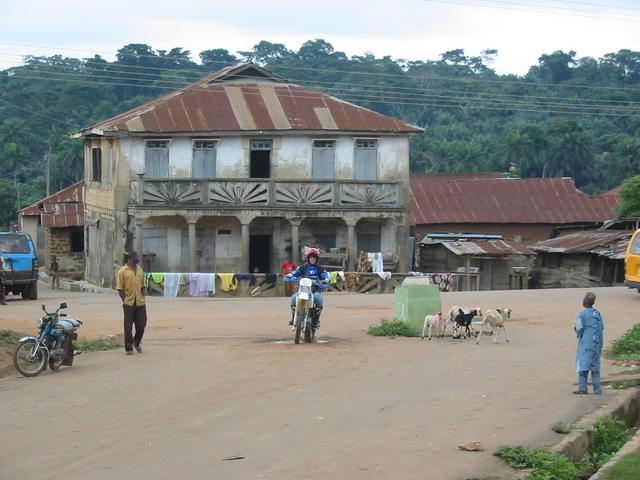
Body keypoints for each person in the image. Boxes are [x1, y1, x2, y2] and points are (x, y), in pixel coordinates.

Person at [287, 248, 329, 329]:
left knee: (319, 300)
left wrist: (326, 280)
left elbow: (324, 276)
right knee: (293, 299)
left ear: (316, 259)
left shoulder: (320, 268)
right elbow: (295, 273)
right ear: (308, 258)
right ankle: (293, 318)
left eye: (314, 258)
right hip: (303, 290)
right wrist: (290, 276)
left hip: (314, 291)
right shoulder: (303, 267)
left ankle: (316, 320)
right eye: (311, 257)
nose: (312, 259)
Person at [116, 251, 147, 355]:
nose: (138, 258)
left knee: (141, 324)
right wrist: (124, 301)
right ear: (131, 258)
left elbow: (143, 286)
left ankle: (136, 342)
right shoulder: (122, 271)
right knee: (128, 326)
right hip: (128, 303)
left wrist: (143, 297)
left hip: (140, 303)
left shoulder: (140, 270)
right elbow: (120, 289)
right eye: (137, 256)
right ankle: (128, 347)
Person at [574, 291, 604, 395]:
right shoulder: (597, 313)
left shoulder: (581, 314)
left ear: (584, 301)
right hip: (597, 342)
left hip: (586, 343)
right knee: (595, 366)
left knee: (583, 365)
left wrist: (579, 335)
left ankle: (583, 388)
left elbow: (578, 328)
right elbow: (602, 326)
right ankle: (597, 389)